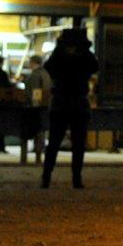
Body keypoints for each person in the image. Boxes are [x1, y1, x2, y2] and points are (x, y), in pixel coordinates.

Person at [40, 27, 99, 189]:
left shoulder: (59, 55)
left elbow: (49, 66)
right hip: (79, 102)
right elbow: (95, 66)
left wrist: (61, 49)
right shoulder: (84, 55)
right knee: (78, 144)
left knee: (54, 142)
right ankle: (76, 178)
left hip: (60, 102)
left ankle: (46, 176)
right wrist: (84, 49)